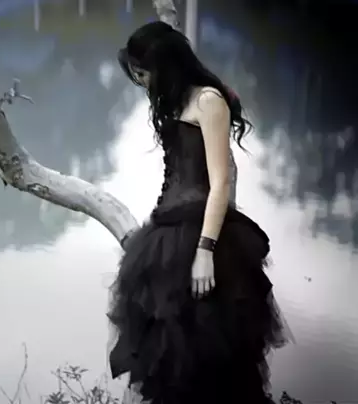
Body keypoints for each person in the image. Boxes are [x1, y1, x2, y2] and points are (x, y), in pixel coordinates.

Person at [107, 21, 291, 404]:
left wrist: (205, 250)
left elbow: (220, 182)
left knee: (212, 351)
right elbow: (175, 172)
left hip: (204, 235)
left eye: (143, 73)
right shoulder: (174, 100)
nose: (141, 82)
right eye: (136, 75)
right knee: (169, 356)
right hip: (167, 233)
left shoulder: (209, 100)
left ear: (165, 64)